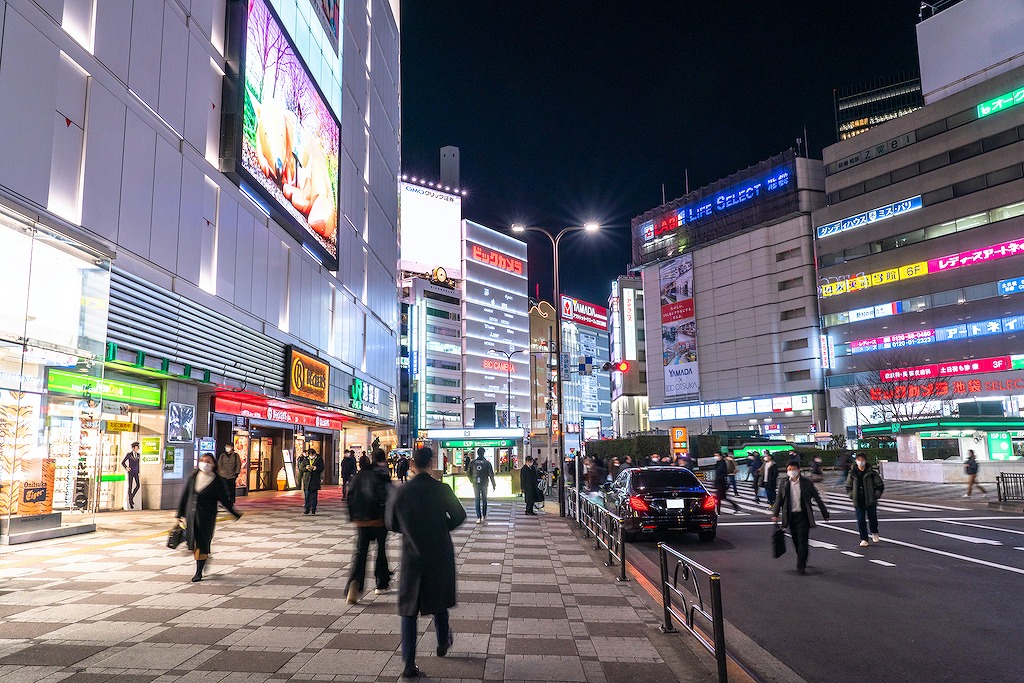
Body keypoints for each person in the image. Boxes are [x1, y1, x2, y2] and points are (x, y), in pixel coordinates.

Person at [386, 447, 467, 679]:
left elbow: (391, 523)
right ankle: (442, 641)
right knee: (438, 600)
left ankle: (409, 662)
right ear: (431, 463)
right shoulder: (442, 489)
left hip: (412, 554)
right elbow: (460, 516)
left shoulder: (401, 492)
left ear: (412, 464)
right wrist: (442, 528)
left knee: (408, 609)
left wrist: (411, 531)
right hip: (439, 552)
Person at [176, 453, 242, 582]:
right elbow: (185, 496)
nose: (205, 463)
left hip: (206, 516)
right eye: (202, 460)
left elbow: (224, 500)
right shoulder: (193, 477)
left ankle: (198, 571)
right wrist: (179, 514)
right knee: (192, 542)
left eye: (208, 461)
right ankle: (204, 558)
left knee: (202, 542)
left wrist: (234, 513)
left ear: (213, 464)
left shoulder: (217, 480)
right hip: (191, 515)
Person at [346, 449, 393, 604]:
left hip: (361, 520)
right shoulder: (382, 475)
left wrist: (353, 516)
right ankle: (381, 583)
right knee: (381, 550)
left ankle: (355, 584)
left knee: (361, 552)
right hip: (379, 519)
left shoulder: (359, 476)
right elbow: (388, 496)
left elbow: (350, 495)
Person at [771, 461, 830, 574]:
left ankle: (801, 564)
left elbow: (817, 498)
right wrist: (775, 514)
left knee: (802, 539)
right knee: (795, 540)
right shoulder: (784, 483)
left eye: (793, 469)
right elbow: (779, 499)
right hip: (790, 516)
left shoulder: (806, 483)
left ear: (798, 470)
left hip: (803, 515)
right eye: (789, 469)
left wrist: (825, 513)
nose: (791, 471)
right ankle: (803, 555)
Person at [846, 453, 884, 547]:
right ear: (856, 461)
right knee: (860, 519)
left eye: (862, 460)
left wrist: (876, 495)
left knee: (872, 518)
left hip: (870, 499)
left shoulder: (871, 473)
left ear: (865, 461)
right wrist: (851, 495)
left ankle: (874, 532)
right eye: (859, 460)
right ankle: (864, 538)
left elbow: (880, 485)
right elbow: (848, 486)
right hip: (858, 500)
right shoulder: (852, 473)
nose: (860, 462)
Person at [467, 447, 496, 524]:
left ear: (477, 453)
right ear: (484, 453)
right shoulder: (487, 463)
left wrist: (472, 480)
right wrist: (494, 484)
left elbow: (468, 473)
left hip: (476, 483)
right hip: (484, 483)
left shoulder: (473, 462)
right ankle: (484, 515)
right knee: (484, 499)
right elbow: (491, 474)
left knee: (477, 500)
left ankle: (478, 517)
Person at [299, 448, 325, 515]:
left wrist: (316, 468)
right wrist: (306, 468)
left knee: (314, 496)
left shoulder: (319, 460)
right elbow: (301, 468)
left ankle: (313, 509)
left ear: (315, 454)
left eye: (312, 455)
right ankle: (307, 509)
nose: (311, 456)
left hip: (315, 479)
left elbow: (322, 468)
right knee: (307, 495)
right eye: (310, 455)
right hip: (307, 479)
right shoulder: (305, 460)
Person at [121, 441, 142, 509]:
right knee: (130, 486)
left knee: (138, 485)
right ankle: (130, 502)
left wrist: (138, 470)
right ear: (133, 448)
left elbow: (138, 464)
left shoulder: (138, 455)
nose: (138, 448)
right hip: (131, 472)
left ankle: (131, 497)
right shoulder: (129, 454)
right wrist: (126, 467)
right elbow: (123, 462)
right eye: (136, 447)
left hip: (136, 472)